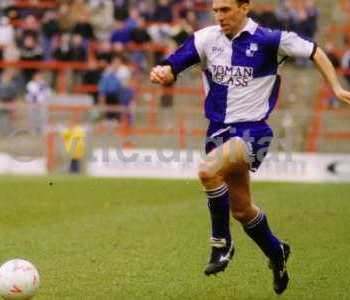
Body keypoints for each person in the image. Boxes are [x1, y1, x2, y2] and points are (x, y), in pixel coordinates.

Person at [150, 0, 350, 295]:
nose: (219, 16)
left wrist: (335, 86)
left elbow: (314, 50)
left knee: (207, 172)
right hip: (217, 131)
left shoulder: (270, 39)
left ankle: (222, 244)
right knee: (242, 210)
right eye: (216, 10)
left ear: (245, 7)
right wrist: (164, 72)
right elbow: (173, 63)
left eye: (226, 9)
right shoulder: (206, 39)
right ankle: (277, 252)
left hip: (254, 131)